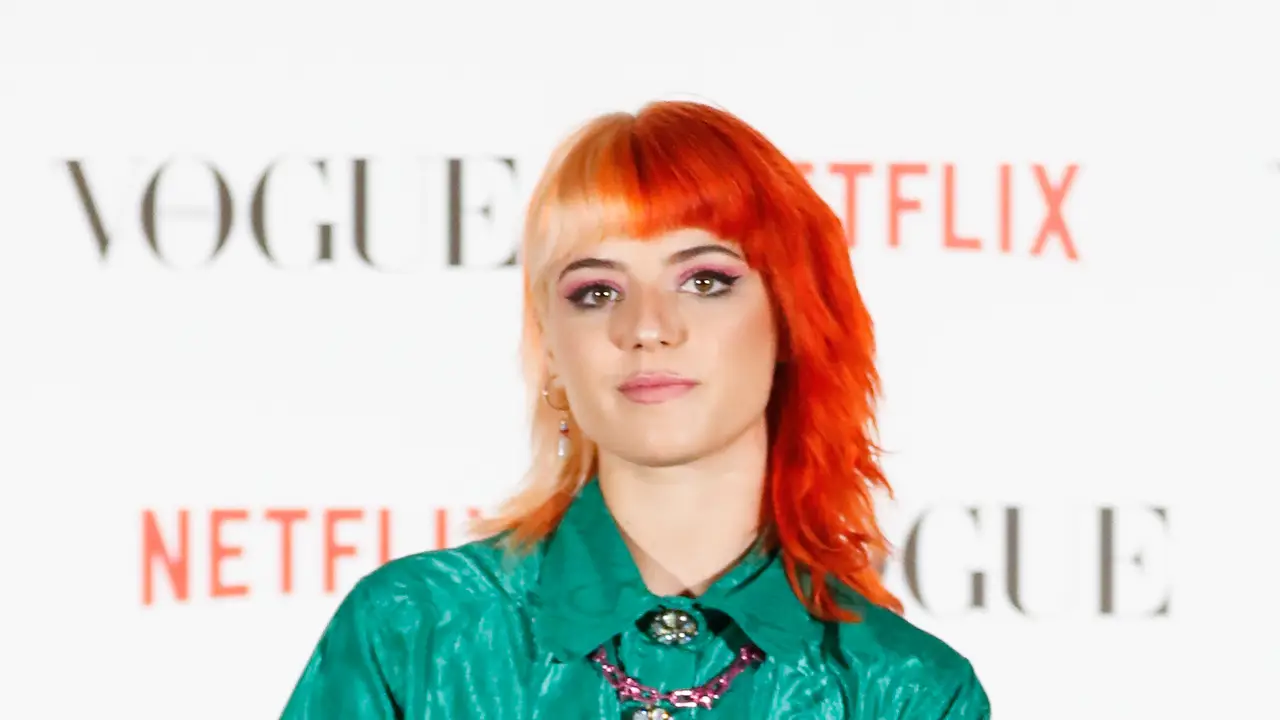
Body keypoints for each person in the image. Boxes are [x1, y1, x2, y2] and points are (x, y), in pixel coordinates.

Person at [280, 100, 991, 719]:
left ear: (792, 315)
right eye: (597, 292)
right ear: (550, 347)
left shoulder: (906, 689)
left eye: (704, 281)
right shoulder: (416, 632)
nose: (647, 327)